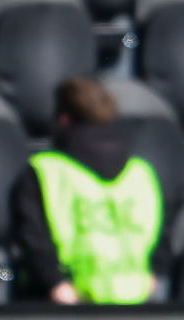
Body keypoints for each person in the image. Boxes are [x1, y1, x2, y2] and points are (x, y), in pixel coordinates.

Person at [11, 77, 167, 305]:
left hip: (68, 305)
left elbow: (32, 236)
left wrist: (55, 284)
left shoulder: (44, 170)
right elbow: (163, 231)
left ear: (63, 119)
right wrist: (153, 276)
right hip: (137, 301)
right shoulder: (141, 171)